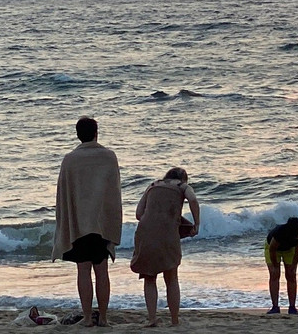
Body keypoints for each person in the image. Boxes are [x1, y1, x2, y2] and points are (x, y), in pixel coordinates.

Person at [52, 117, 122, 328]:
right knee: (102, 271)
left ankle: (87, 318)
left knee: (83, 270)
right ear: (96, 133)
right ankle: (103, 318)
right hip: (101, 223)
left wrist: (64, 223)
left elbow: (63, 195)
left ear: (77, 134)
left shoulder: (70, 159)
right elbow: (114, 194)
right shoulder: (109, 157)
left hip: (80, 224)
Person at [130, 167, 201, 327]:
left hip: (145, 232)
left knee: (149, 278)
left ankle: (152, 319)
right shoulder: (182, 186)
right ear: (184, 178)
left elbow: (139, 214)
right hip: (167, 233)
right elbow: (193, 200)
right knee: (171, 277)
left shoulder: (153, 185)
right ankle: (175, 320)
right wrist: (196, 223)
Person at [265, 216, 298, 315]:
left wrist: (294, 266)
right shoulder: (279, 233)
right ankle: (275, 307)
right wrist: (274, 266)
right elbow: (272, 250)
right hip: (272, 249)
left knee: (291, 276)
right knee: (275, 274)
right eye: (297, 234)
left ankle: (292, 307)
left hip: (289, 250)